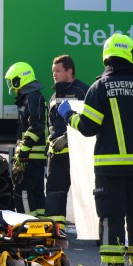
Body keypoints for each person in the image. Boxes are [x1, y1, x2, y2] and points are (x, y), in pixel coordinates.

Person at [59, 34, 133, 266]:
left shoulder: (100, 88)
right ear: (130, 55)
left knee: (112, 221)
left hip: (109, 170)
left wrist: (68, 115)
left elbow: (88, 127)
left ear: (107, 57)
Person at [45, 55, 89, 235]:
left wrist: (66, 137)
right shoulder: (54, 96)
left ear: (69, 71)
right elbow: (51, 125)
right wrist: (52, 142)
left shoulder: (82, 91)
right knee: (55, 193)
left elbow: (88, 121)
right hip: (57, 155)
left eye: (58, 71)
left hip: (78, 155)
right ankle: (57, 232)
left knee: (87, 194)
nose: (54, 74)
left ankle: (96, 233)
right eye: (53, 71)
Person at [4, 62, 47, 216]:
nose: (11, 85)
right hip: (33, 155)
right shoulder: (32, 96)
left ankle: (29, 226)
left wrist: (24, 149)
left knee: (22, 191)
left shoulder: (32, 97)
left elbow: (36, 126)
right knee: (36, 193)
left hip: (30, 156)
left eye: (12, 81)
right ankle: (41, 224)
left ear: (20, 79)